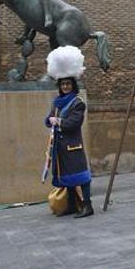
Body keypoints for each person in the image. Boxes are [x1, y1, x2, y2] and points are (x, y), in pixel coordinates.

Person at [45, 46, 93, 218]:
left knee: (81, 177)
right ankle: (72, 205)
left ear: (73, 86)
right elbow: (48, 119)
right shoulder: (57, 102)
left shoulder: (77, 103)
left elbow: (74, 123)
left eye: (68, 84)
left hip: (73, 146)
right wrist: (49, 120)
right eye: (63, 84)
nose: (65, 86)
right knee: (66, 177)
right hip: (59, 147)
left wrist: (58, 121)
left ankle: (87, 206)